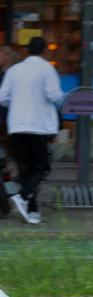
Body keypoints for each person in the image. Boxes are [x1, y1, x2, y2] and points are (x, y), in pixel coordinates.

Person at [0, 37, 62, 225]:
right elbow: (55, 96)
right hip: (38, 126)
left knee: (25, 168)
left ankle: (32, 211)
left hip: (16, 126)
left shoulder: (14, 71)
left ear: (27, 50)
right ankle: (24, 195)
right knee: (42, 167)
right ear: (44, 51)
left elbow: (2, 98)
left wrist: (18, 103)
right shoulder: (47, 69)